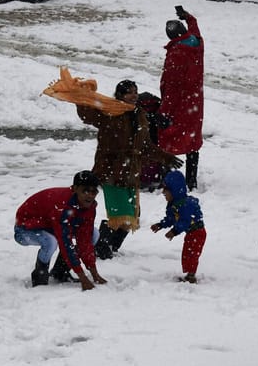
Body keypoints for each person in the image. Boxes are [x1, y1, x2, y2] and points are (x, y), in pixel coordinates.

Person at [77, 80, 183, 260]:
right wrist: (80, 98)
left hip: (131, 173)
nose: (133, 95)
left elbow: (145, 146)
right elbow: (88, 116)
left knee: (133, 215)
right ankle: (102, 248)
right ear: (120, 95)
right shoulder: (110, 110)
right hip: (111, 171)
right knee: (121, 214)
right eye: (129, 92)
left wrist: (166, 157)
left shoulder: (139, 114)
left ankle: (112, 247)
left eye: (135, 91)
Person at [14, 170, 107, 291]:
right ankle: (39, 278)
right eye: (85, 190)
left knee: (93, 234)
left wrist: (94, 274)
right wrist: (82, 276)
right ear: (75, 189)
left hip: (50, 226)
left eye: (93, 191)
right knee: (51, 242)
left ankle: (60, 271)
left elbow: (84, 240)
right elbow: (65, 242)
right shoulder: (62, 206)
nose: (90, 195)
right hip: (24, 229)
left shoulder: (89, 207)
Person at [159, 6, 204, 191]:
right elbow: (195, 29)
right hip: (195, 103)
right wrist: (188, 17)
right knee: (192, 141)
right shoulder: (196, 43)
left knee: (168, 139)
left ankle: (167, 180)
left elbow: (172, 87)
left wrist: (164, 112)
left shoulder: (177, 54)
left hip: (179, 106)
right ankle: (191, 181)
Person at [151, 171, 206, 284]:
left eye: (166, 191)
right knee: (186, 254)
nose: (163, 193)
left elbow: (185, 221)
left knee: (192, 254)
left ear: (174, 191)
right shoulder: (174, 205)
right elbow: (171, 219)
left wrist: (174, 231)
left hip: (198, 232)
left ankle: (191, 276)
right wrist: (160, 225)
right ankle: (189, 274)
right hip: (190, 233)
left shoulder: (186, 204)